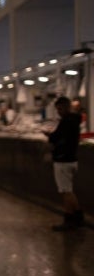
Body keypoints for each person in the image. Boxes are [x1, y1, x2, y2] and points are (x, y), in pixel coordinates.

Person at [45, 96, 83, 231]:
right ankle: (77, 218)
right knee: (68, 190)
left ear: (66, 107)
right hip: (72, 159)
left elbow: (55, 138)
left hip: (63, 161)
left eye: (60, 109)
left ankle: (71, 218)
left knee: (66, 191)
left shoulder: (66, 121)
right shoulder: (76, 120)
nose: (58, 112)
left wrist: (48, 135)